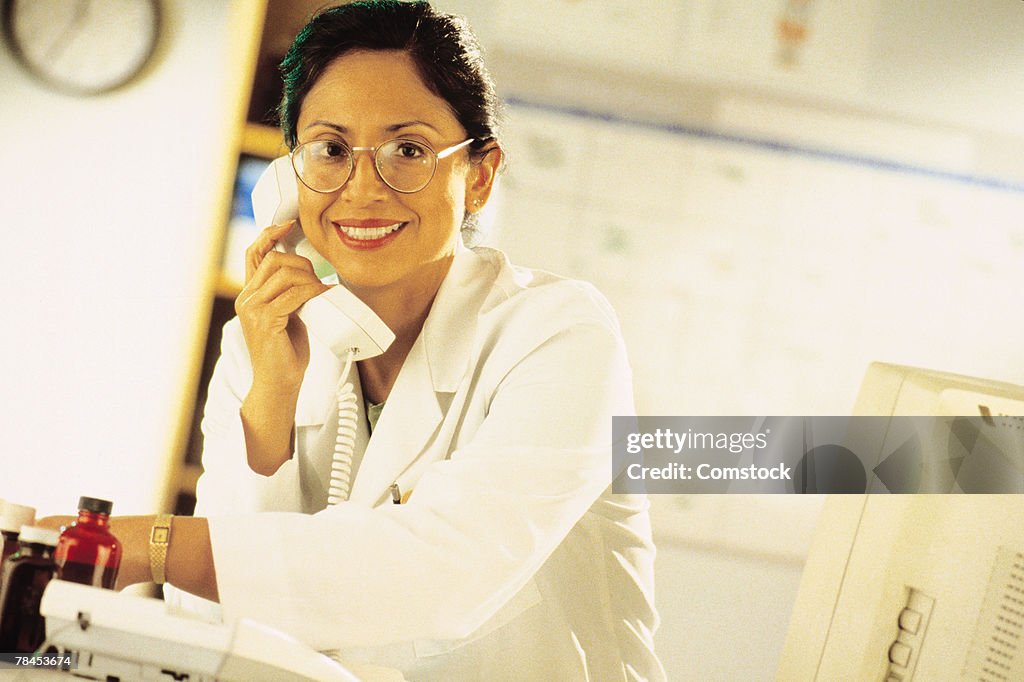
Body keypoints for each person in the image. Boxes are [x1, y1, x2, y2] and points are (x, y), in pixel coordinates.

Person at [47, 2, 665, 679]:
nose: (363, 187)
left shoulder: (560, 335)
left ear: (480, 175)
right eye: (331, 150)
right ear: (290, 178)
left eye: (408, 150)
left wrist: (150, 544)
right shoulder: (260, 336)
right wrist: (272, 395)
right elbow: (209, 625)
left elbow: (437, 575)